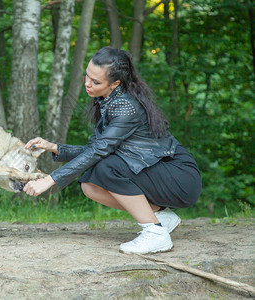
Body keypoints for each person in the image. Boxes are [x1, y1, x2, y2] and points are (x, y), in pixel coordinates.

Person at [23, 47, 201, 255]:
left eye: (96, 82)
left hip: (179, 176)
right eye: (87, 76)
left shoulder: (126, 107)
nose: (88, 84)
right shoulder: (107, 100)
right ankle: (161, 217)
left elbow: (100, 151)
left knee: (106, 167)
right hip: (157, 171)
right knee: (90, 185)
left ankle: (155, 234)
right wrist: (53, 147)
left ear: (116, 83)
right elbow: (95, 149)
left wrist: (49, 180)